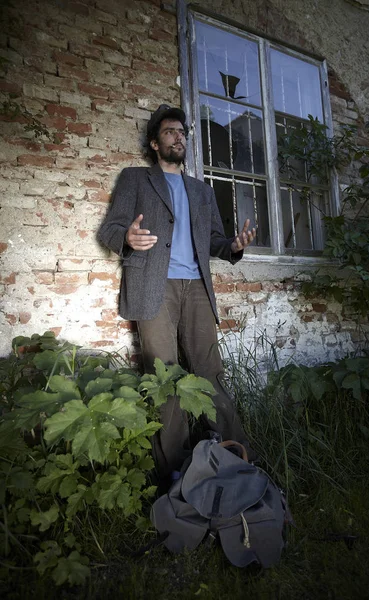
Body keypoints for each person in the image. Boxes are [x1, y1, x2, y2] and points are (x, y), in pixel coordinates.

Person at [99, 104, 256, 485]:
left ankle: (239, 459)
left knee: (210, 374)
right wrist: (126, 237)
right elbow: (109, 230)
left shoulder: (201, 191)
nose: (178, 136)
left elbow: (215, 240)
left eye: (182, 132)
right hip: (154, 286)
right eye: (170, 132)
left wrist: (233, 245)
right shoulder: (135, 179)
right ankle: (175, 472)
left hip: (198, 289)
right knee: (164, 376)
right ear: (155, 142)